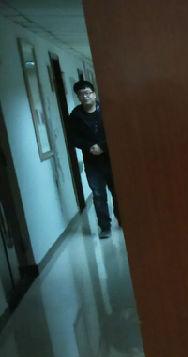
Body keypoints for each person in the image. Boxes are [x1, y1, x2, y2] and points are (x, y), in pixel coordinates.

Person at [67, 80, 118, 239]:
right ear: (78, 97)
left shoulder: (107, 111)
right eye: (81, 94)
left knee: (117, 191)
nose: (85, 96)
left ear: (94, 94)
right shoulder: (75, 117)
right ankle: (105, 227)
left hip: (111, 158)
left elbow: (117, 131)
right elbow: (73, 138)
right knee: (98, 194)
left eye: (88, 93)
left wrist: (102, 146)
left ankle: (122, 218)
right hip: (92, 162)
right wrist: (89, 147)